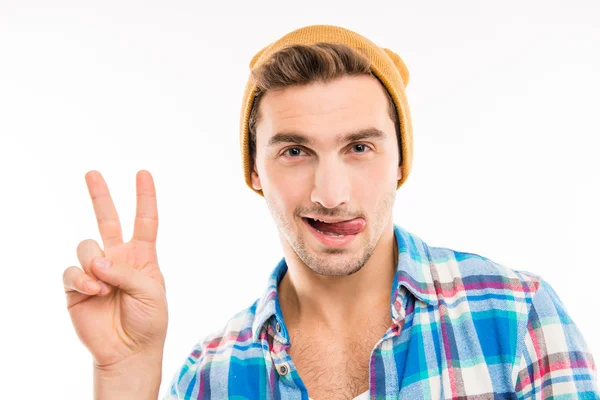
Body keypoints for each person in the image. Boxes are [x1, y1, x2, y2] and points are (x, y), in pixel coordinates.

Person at [63, 24, 599, 399]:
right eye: (295, 151)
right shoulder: (210, 376)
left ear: (400, 161)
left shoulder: (516, 315)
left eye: (359, 148)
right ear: (255, 172)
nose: (331, 193)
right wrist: (125, 377)